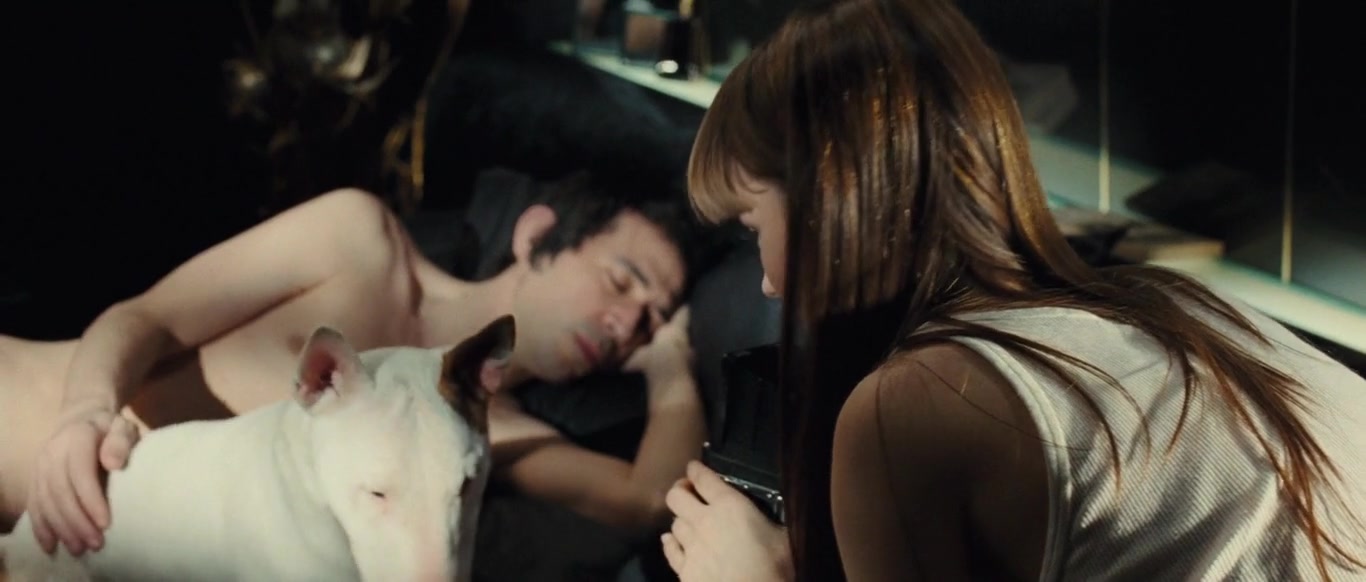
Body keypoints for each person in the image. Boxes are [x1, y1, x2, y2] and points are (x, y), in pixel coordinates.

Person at [660, 0, 1366, 580]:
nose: (767, 283)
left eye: (753, 225)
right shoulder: (1182, 305)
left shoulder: (915, 406)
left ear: (833, 200)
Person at [0, 174, 707, 559]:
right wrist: (85, 412)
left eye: (650, 321)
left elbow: (649, 501)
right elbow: (146, 317)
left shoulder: (486, 436)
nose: (627, 325)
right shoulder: (359, 242)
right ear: (536, 234)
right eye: (621, 282)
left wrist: (673, 363)